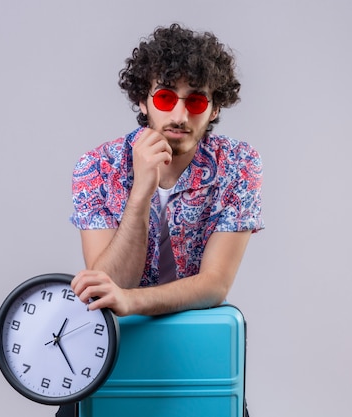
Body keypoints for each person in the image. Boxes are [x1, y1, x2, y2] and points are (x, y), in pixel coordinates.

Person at [60, 23, 264, 417]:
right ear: (143, 100)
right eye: (166, 97)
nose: (180, 115)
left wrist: (128, 301)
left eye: (197, 102)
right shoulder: (96, 167)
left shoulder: (240, 165)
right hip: (114, 354)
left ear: (216, 107)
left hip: (194, 357)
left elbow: (214, 285)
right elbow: (108, 284)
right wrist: (141, 193)